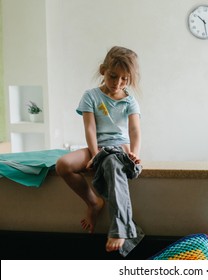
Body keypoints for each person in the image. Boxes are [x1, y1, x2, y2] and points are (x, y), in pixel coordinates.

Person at [56, 46, 144, 256]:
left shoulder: (129, 100)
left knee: (113, 164)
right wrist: (95, 154)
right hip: (97, 148)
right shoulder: (91, 96)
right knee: (63, 165)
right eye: (114, 76)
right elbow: (90, 128)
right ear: (103, 70)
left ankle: (120, 229)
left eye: (125, 79)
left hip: (119, 149)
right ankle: (94, 202)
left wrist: (135, 153)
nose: (118, 83)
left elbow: (134, 130)